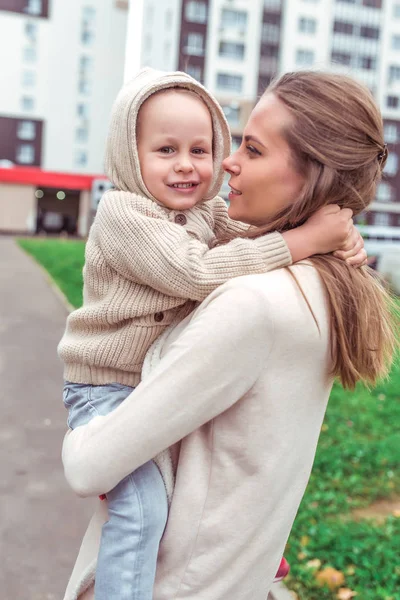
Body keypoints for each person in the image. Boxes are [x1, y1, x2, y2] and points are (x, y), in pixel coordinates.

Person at [61, 70, 389, 600]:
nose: (227, 161)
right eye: (167, 148)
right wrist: (323, 238)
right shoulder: (320, 292)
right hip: (228, 571)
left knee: (129, 498)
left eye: (252, 149)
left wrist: (78, 439)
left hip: (174, 583)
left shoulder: (252, 303)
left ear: (313, 176)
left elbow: (88, 466)